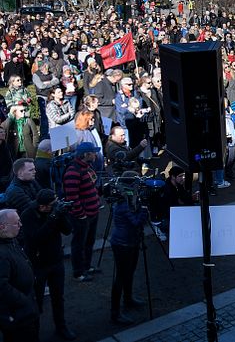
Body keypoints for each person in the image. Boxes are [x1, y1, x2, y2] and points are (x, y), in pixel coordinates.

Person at [19, 189, 76, 340]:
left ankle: (61, 327)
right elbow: (36, 239)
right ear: (43, 206)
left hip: (56, 261)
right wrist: (53, 217)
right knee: (36, 300)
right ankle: (34, 333)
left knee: (59, 297)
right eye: (53, 204)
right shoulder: (28, 215)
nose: (56, 205)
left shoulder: (54, 212)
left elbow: (68, 230)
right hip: (37, 265)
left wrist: (62, 214)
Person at [109, 174, 148, 325]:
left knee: (130, 272)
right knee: (120, 277)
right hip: (123, 244)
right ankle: (115, 312)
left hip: (130, 242)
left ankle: (128, 298)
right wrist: (144, 208)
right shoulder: (124, 205)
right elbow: (137, 222)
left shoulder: (127, 200)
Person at [62, 142, 101, 282]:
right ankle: (78, 272)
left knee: (89, 242)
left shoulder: (87, 167)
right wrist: (81, 214)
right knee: (79, 244)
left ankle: (87, 266)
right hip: (82, 216)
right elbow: (72, 197)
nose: (95, 154)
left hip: (92, 213)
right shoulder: (73, 171)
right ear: (86, 154)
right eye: (93, 152)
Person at [0, 209, 40, 342]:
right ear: (2, 227)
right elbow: (1, 286)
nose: (20, 225)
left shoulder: (9, 239)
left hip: (25, 309)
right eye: (16, 223)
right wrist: (24, 301)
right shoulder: (1, 254)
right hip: (18, 316)